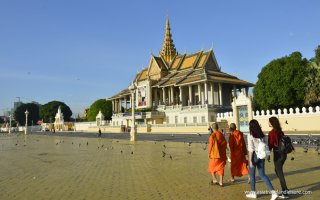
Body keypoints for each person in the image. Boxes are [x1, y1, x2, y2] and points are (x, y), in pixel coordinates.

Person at [246, 119, 278, 199]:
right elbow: (266, 146)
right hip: (262, 157)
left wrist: (250, 160)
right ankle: (273, 192)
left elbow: (251, 149)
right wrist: (268, 156)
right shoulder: (262, 135)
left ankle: (253, 193)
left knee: (252, 176)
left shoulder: (250, 135)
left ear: (250, 127)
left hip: (254, 157)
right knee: (263, 175)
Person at [268, 117, 289, 199]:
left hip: (277, 154)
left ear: (272, 123)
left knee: (279, 173)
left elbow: (270, 145)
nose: (268, 123)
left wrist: (268, 154)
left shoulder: (271, 133)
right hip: (284, 154)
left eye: (269, 122)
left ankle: (285, 192)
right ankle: (285, 189)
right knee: (277, 171)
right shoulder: (281, 131)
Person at [208, 123, 227, 187]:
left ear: (212, 128)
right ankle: (221, 182)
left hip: (215, 155)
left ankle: (214, 179)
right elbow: (225, 143)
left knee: (211, 167)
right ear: (217, 128)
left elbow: (210, 146)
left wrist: (209, 153)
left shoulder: (212, 136)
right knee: (221, 168)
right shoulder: (221, 134)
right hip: (222, 154)